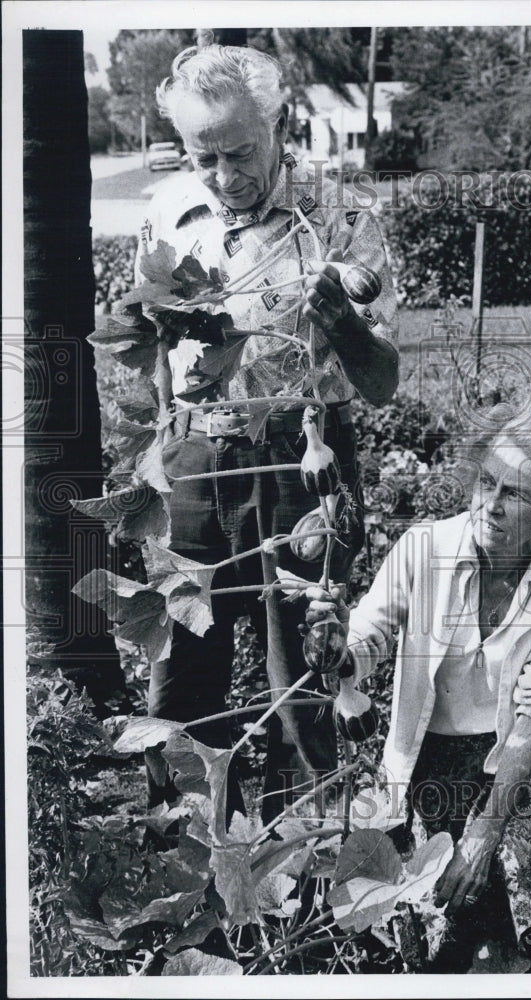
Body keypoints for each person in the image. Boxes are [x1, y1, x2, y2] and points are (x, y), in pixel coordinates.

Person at [136, 44, 399, 823]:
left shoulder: (340, 214)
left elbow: (381, 381)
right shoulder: (167, 212)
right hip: (194, 458)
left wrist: (342, 323)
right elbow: (152, 353)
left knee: (306, 678)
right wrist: (157, 451)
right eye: (204, 156)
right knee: (181, 677)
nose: (223, 175)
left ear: (279, 124)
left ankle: (310, 866)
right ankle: (194, 857)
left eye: (239, 152)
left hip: (303, 459)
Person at [306, 405, 531, 970]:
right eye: (486, 483)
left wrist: (486, 830)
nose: (491, 505)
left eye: (514, 493)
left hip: (519, 766)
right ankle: (490, 954)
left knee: (500, 855)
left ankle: (510, 957)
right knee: (436, 885)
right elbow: (369, 637)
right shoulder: (424, 549)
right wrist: (337, 645)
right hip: (428, 760)